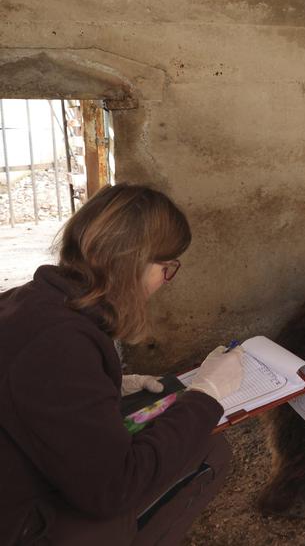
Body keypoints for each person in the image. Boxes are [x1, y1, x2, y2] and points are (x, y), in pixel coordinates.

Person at [0, 184, 245, 545]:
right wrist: (206, 395)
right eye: (166, 267)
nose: (165, 280)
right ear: (133, 261)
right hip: (21, 522)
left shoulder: (29, 301)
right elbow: (113, 489)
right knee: (210, 452)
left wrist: (105, 385)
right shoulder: (61, 345)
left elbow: (31, 393)